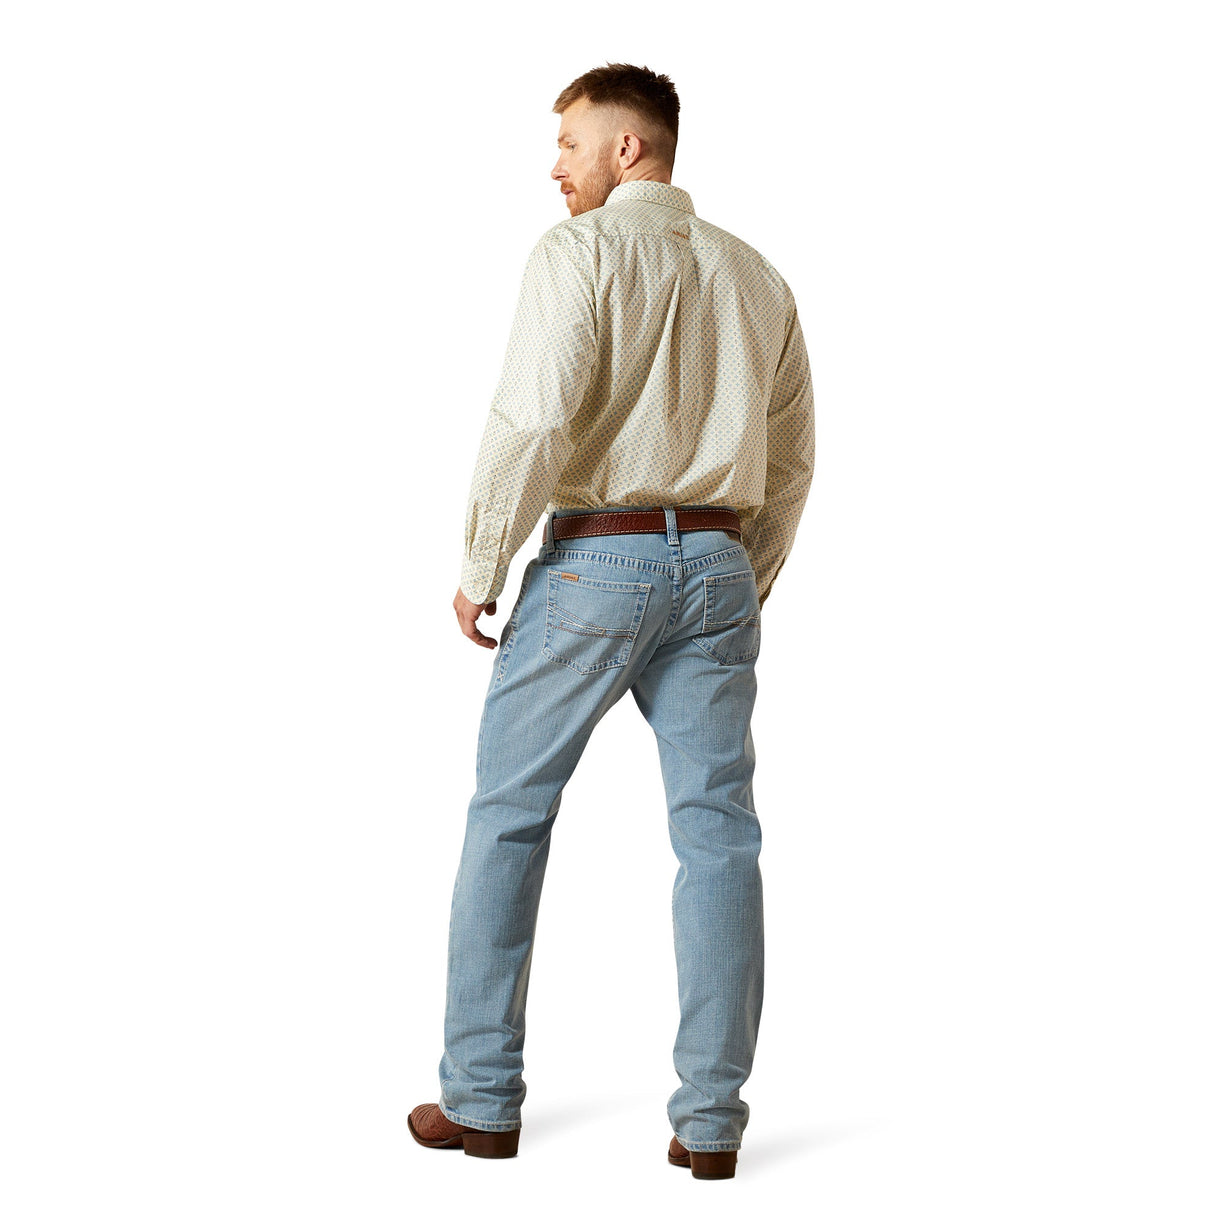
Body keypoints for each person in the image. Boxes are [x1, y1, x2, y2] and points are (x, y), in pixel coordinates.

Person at [408, 61, 814, 1180]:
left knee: (509, 815)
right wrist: (741, 574)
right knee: (720, 836)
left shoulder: (578, 253)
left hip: (596, 562)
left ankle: (483, 1099)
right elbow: (790, 459)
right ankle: (713, 1125)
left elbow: (536, 414)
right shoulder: (758, 276)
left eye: (571, 144)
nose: (556, 166)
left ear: (629, 148)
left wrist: (482, 557)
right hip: (720, 564)